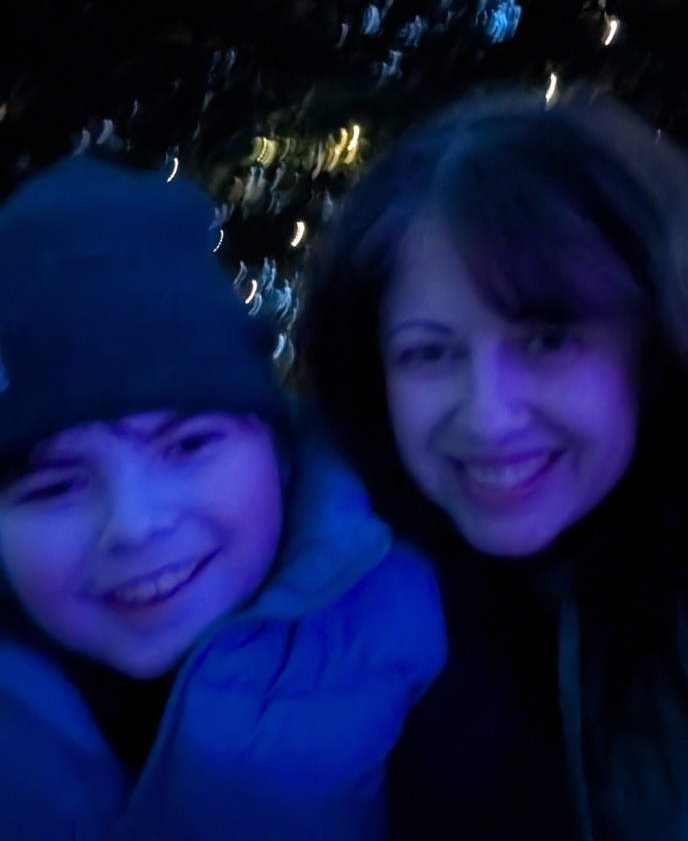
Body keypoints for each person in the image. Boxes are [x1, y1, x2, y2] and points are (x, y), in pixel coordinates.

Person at [299, 86, 688, 840]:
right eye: (430, 353)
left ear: (662, 345)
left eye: (547, 341)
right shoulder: (370, 595)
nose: (487, 415)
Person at [0, 155, 445, 841]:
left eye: (187, 446)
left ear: (278, 450)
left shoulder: (418, 630)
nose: (135, 525)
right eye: (56, 485)